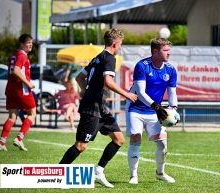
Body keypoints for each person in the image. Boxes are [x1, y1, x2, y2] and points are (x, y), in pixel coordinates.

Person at [58, 28, 138, 188]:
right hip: (93, 108)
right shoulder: (109, 58)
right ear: (115, 44)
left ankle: (98, 172)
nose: (120, 47)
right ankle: (58, 175)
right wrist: (127, 94)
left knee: (119, 139)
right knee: (81, 146)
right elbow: (108, 81)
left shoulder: (97, 57)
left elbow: (79, 77)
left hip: (100, 108)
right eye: (120, 44)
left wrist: (88, 92)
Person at [126, 38, 178, 184]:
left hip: (155, 112)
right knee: (136, 139)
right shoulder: (142, 66)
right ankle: (133, 176)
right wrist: (157, 107)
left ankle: (160, 173)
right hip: (136, 109)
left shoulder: (171, 69)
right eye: (165, 50)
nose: (169, 53)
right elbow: (141, 93)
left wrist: (173, 110)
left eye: (169, 50)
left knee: (162, 144)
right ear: (155, 51)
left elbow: (172, 93)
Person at [0, 34, 36, 151]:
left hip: (11, 89)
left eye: (31, 42)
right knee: (32, 113)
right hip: (21, 90)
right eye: (28, 42)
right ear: (22, 44)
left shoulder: (14, 55)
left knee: (12, 117)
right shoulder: (22, 56)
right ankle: (19, 138)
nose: (30, 45)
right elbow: (16, 70)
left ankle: (1, 142)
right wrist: (28, 83)